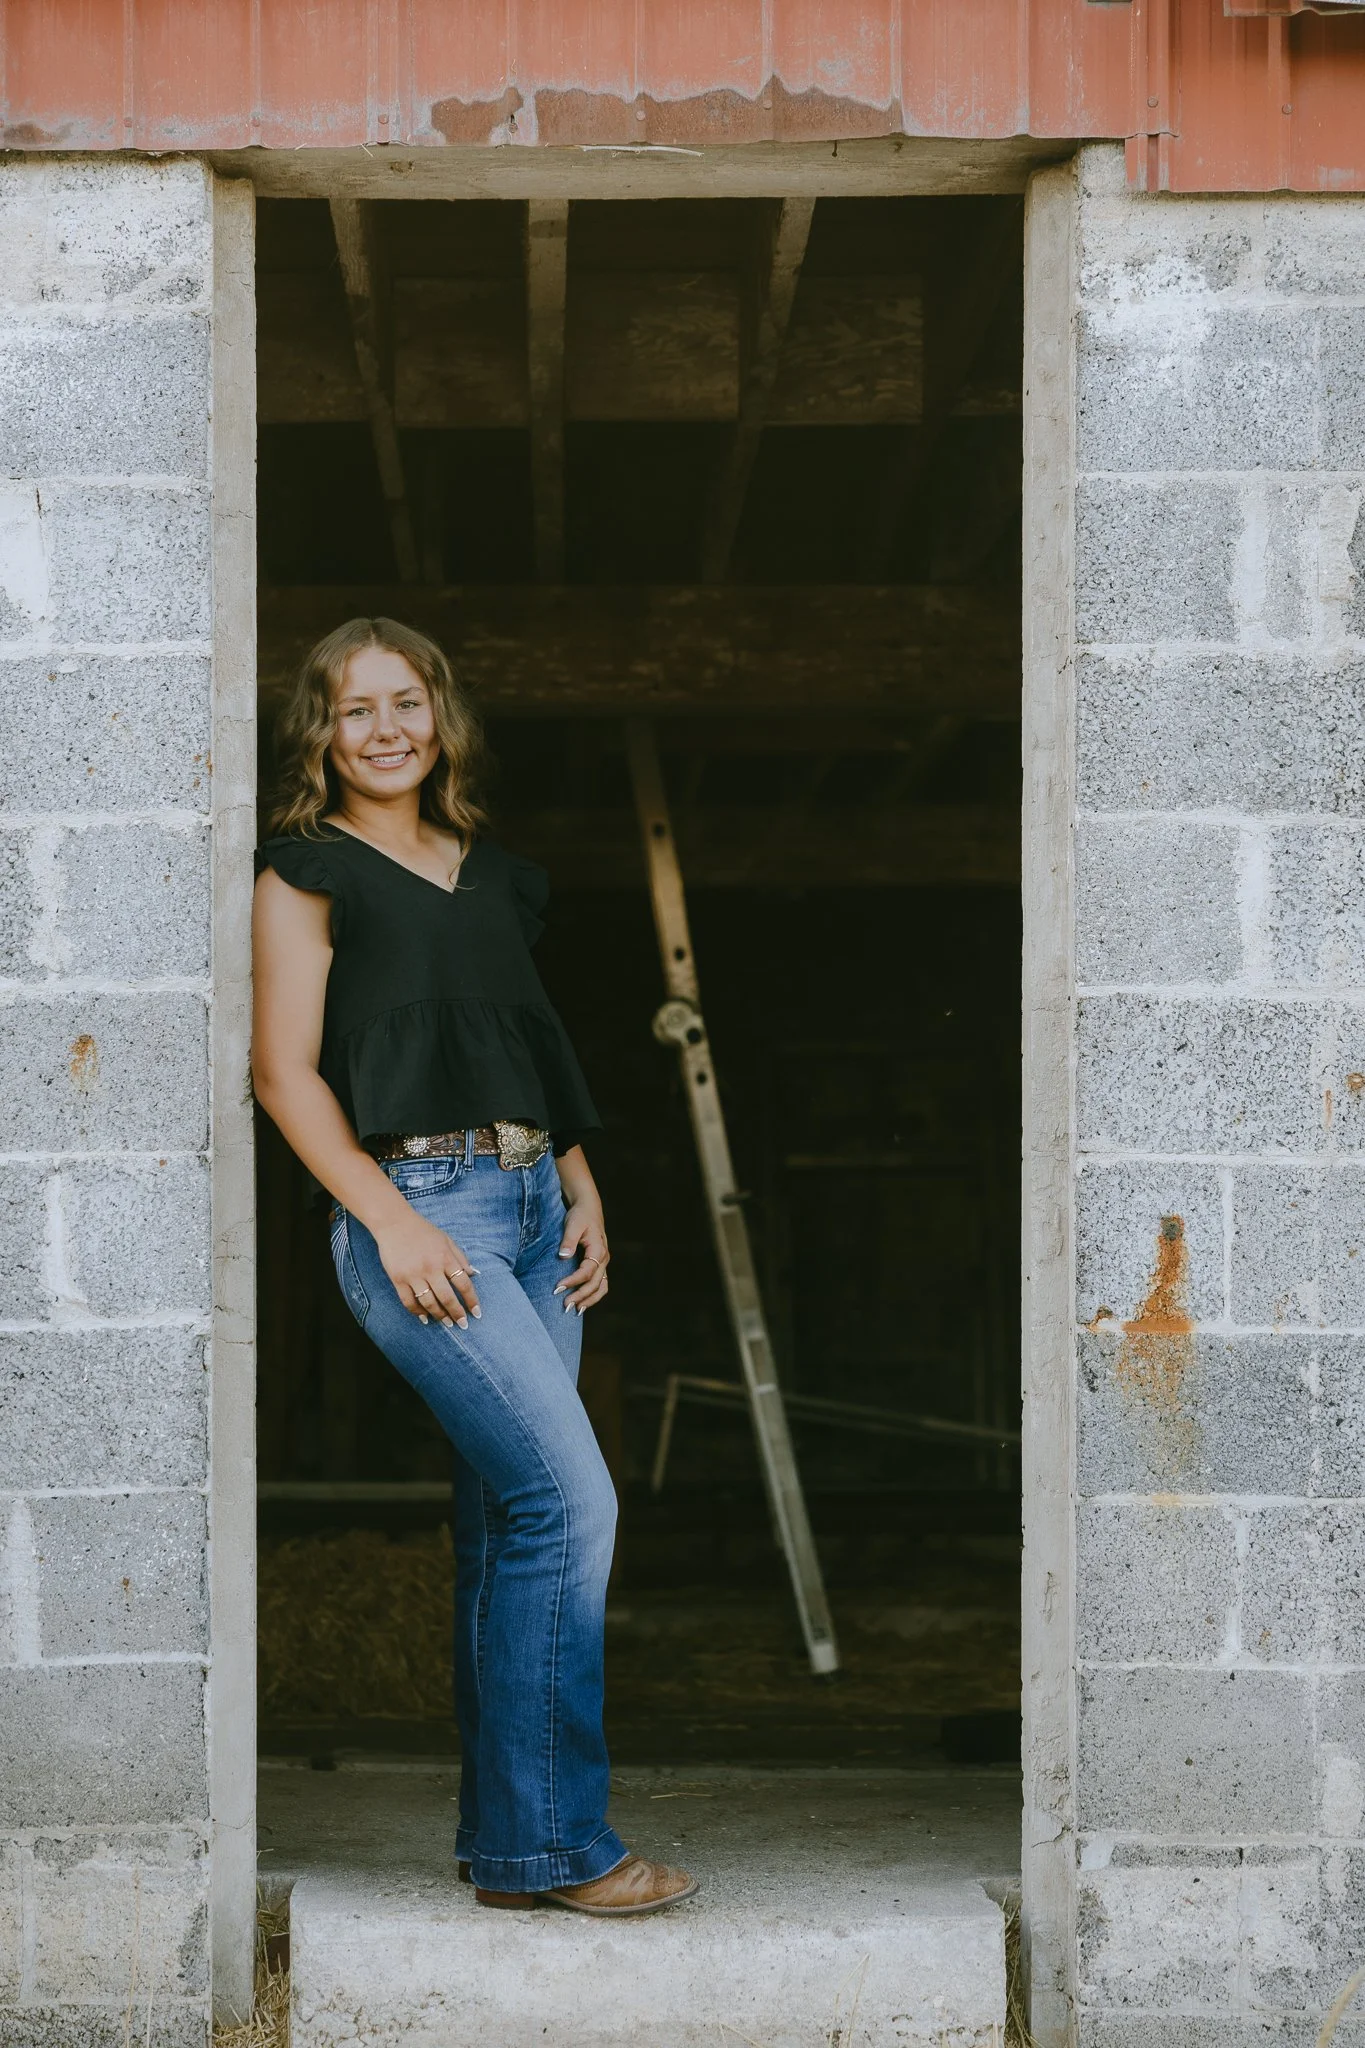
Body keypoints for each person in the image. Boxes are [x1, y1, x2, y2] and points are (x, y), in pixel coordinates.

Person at [251, 616, 697, 1916]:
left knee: (509, 1528)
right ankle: (565, 1847)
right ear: (319, 733)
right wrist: (391, 1220)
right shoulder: (305, 870)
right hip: (420, 1212)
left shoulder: (494, 875)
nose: (384, 729)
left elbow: (516, 1048)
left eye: (406, 702)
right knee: (574, 1511)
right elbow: (284, 1075)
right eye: (353, 709)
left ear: (440, 716)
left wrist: (575, 1179)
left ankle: (509, 1840)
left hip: (521, 1202)